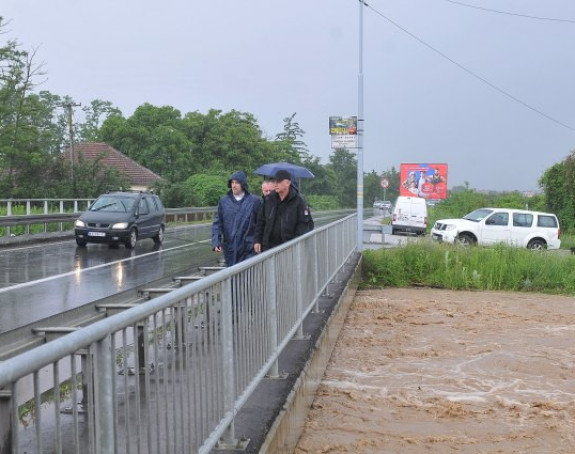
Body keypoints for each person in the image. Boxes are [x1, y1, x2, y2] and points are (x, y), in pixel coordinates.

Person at [254, 169, 314, 253]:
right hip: (268, 248)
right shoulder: (268, 200)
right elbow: (260, 221)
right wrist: (257, 240)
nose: (276, 184)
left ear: (288, 183)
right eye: (275, 181)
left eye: (279, 181)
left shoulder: (299, 202)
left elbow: (303, 225)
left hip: (289, 249)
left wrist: (293, 244)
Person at [212, 170, 261, 266]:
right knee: (233, 276)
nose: (234, 185)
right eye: (232, 182)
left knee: (248, 275)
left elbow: (260, 224)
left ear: (243, 184)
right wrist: (216, 242)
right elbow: (217, 223)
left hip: (248, 248)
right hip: (230, 247)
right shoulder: (224, 201)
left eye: (237, 182)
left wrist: (258, 241)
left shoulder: (254, 201)